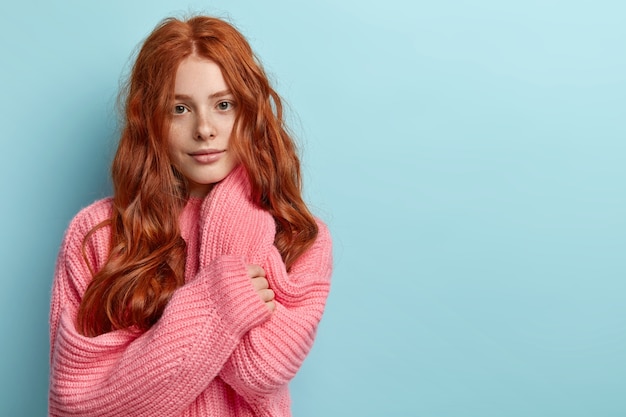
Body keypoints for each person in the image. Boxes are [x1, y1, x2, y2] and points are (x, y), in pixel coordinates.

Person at [48, 16, 332, 417]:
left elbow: (260, 369)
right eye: (179, 108)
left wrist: (232, 216)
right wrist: (214, 303)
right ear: (150, 119)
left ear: (249, 112)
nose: (204, 129)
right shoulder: (96, 235)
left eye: (223, 105)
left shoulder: (298, 235)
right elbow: (75, 403)